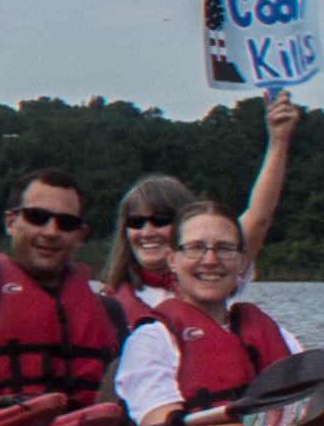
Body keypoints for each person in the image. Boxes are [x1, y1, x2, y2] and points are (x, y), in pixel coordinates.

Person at [116, 208, 324, 426]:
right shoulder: (151, 338)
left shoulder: (277, 336)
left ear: (241, 262)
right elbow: (158, 422)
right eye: (196, 248)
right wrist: (241, 414)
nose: (210, 259)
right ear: (172, 259)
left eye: (225, 249)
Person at [0, 160, 127, 413]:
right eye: (37, 217)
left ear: (80, 235)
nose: (51, 231)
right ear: (10, 223)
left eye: (66, 223)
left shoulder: (110, 311)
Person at [99, 96, 297, 317]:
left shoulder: (213, 272)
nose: (147, 232)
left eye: (161, 220)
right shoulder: (108, 303)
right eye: (136, 222)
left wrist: (278, 141)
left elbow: (259, 217)